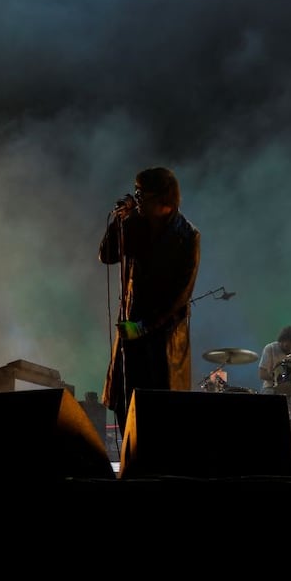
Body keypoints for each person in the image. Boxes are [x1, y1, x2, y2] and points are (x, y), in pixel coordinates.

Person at [100, 166, 200, 438]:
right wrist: (119, 221)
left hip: (163, 338)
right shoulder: (134, 226)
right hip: (131, 336)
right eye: (136, 192)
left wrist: (143, 327)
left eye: (142, 194)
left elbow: (179, 296)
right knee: (125, 403)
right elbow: (106, 255)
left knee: (160, 413)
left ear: (163, 199)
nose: (137, 198)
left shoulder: (187, 237)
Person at [257, 325, 291, 419]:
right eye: (286, 344)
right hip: (271, 388)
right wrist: (277, 378)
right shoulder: (270, 349)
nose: (288, 347)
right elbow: (261, 374)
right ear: (281, 340)